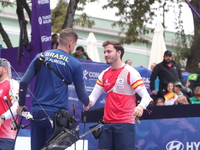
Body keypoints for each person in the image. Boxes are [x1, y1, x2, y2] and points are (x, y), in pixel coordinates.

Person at [16, 28, 90, 150]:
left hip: (37, 112)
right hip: (56, 116)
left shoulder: (41, 56)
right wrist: (87, 103)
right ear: (71, 43)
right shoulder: (75, 64)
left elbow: (23, 81)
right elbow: (81, 93)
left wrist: (21, 104)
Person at [84, 40, 152, 150]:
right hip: (106, 125)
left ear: (119, 52)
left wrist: (140, 106)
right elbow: (92, 97)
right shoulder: (104, 74)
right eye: (104, 52)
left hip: (125, 124)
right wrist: (87, 103)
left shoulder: (130, 72)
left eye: (109, 51)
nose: (106, 55)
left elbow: (147, 96)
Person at [0, 58, 19, 150]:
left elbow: (17, 106)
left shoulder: (12, 84)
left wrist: (3, 117)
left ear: (5, 69)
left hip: (6, 135)